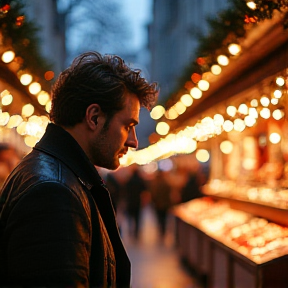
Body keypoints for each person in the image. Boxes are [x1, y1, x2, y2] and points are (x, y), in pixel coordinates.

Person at [0, 51, 158, 287]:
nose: (133, 141)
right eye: (128, 126)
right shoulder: (54, 193)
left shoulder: (57, 176)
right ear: (94, 117)